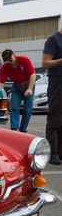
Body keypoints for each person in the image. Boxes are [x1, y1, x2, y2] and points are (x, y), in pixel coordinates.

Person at [0, 49, 36, 133]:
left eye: (10, 59)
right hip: (17, 87)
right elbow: (1, 83)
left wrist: (30, 89)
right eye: (7, 61)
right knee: (14, 108)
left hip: (29, 84)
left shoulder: (24, 60)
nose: (9, 62)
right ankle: (14, 130)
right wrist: (0, 95)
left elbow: (32, 75)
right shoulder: (4, 68)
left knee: (27, 110)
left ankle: (23, 129)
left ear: (14, 55)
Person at [42, 24, 62, 165]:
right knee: (55, 115)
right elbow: (45, 63)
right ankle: (52, 152)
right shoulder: (54, 39)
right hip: (57, 81)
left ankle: (60, 151)